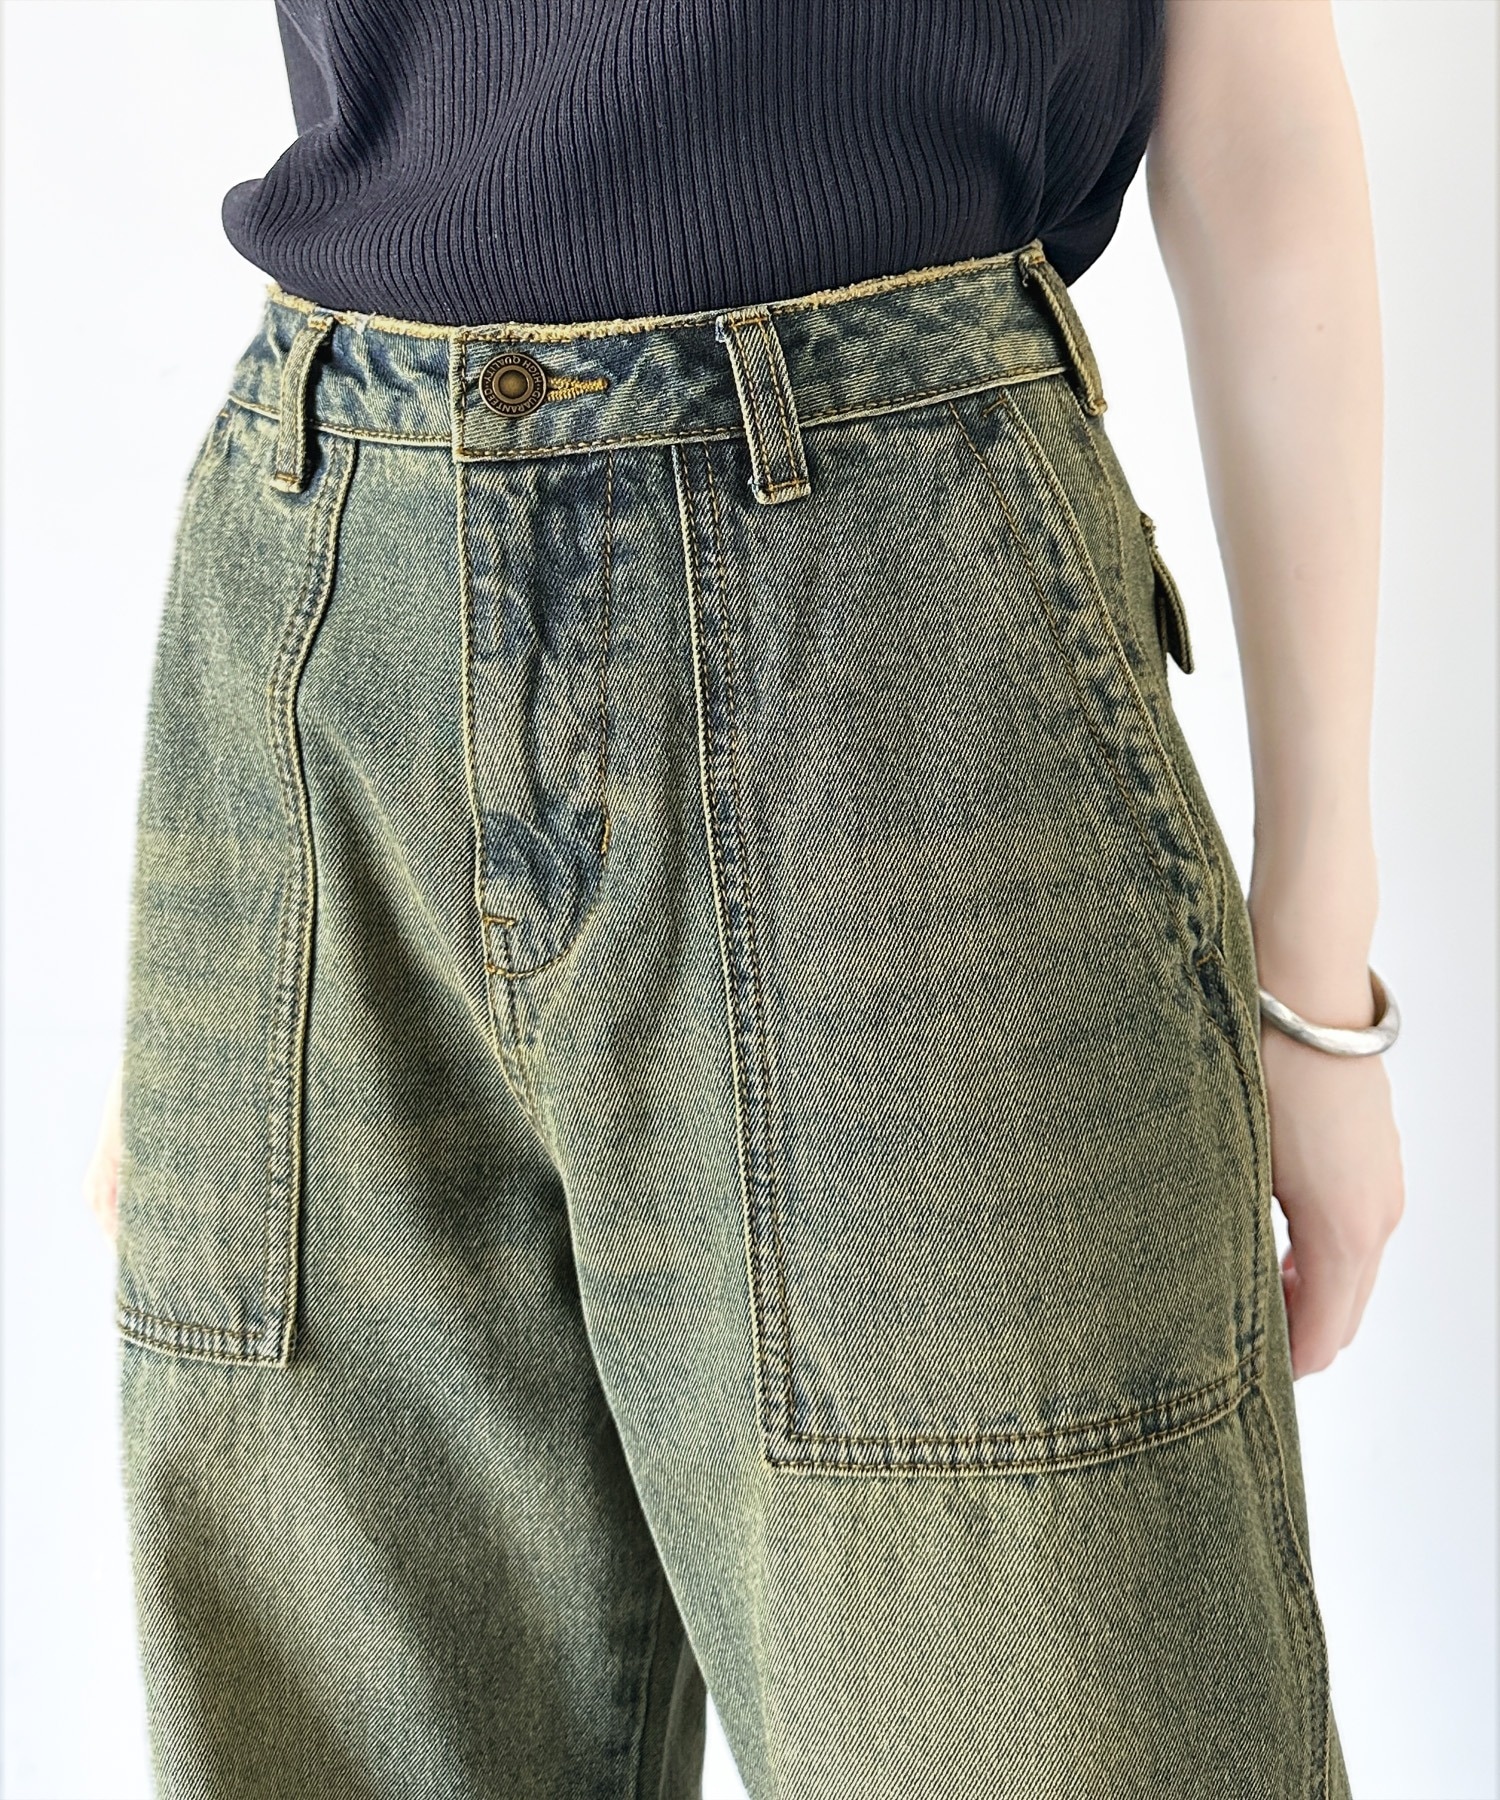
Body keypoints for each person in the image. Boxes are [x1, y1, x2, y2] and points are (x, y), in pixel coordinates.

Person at [83, 1, 1405, 1794]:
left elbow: (1259, 131)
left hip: (893, 630)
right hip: (322, 599)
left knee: (1042, 1718)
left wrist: (1315, 966)